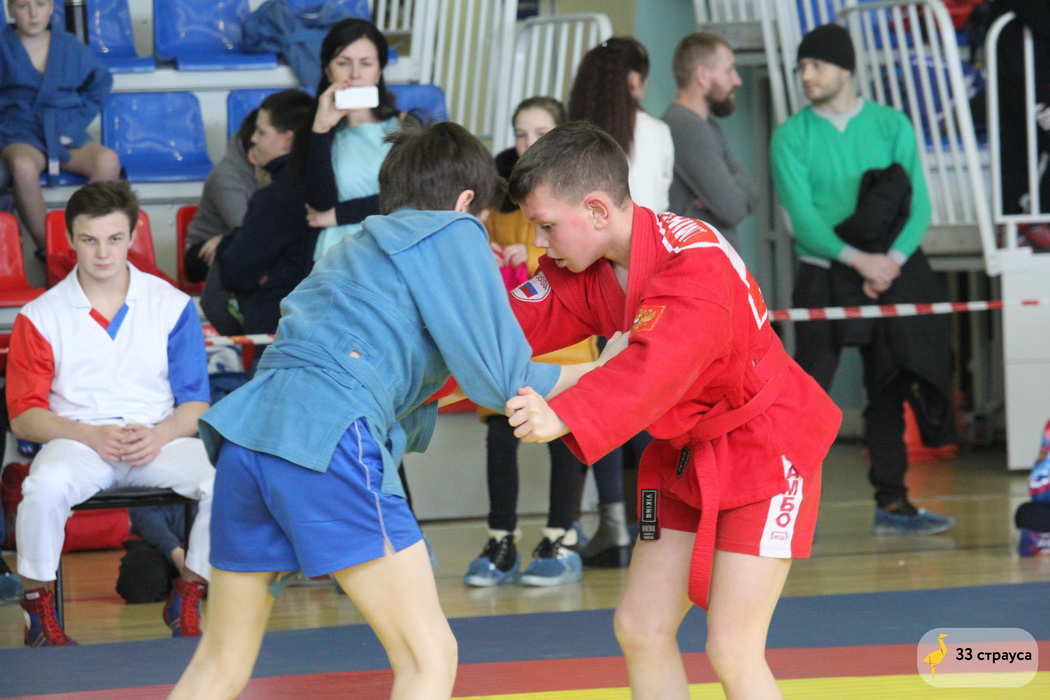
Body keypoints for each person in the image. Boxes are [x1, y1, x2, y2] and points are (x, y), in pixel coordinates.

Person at [166, 122, 623, 700]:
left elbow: (412, 376)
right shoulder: (453, 231)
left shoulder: (352, 249)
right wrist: (602, 367)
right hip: (326, 439)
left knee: (218, 663)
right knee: (429, 656)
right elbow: (503, 381)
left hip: (247, 436)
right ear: (466, 203)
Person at [503, 122, 840, 700]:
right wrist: (398, 370)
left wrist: (566, 413)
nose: (540, 243)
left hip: (766, 448)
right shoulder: (587, 266)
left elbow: (654, 367)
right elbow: (504, 330)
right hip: (684, 453)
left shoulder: (695, 262)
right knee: (641, 627)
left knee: (732, 648)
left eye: (547, 226)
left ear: (597, 210)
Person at [5, 180, 214, 647]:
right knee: (42, 487)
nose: (103, 253)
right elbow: (24, 417)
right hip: (79, 443)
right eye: (89, 239)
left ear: (134, 234)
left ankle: (188, 593)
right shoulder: (40, 315)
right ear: (69, 238)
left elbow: (196, 404)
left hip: (156, 439)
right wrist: (89, 435)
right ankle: (37, 613)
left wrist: (160, 435)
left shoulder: (171, 305)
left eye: (115, 238)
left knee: (231, 478)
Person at [769, 24, 957, 536]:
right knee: (806, 392)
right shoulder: (791, 135)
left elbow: (919, 205)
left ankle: (893, 504)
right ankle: (772, 505)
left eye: (816, 65)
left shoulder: (892, 124)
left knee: (887, 389)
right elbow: (803, 221)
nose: (806, 75)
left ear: (845, 68)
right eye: (801, 67)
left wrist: (889, 261)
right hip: (823, 274)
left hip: (886, 274)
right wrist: (860, 261)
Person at [465, 96, 604, 587]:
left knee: (566, 436)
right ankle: (500, 540)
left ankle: (560, 537)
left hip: (567, 338)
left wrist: (525, 257)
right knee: (501, 435)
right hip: (515, 340)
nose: (527, 143)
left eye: (540, 132)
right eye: (520, 133)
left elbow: (581, 259)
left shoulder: (579, 189)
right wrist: (489, 257)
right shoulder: (498, 190)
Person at [568, 36, 673, 564]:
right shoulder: (655, 132)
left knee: (595, 401)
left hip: (587, 282)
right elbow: (662, 211)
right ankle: (652, 526)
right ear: (635, 80)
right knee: (646, 408)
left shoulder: (571, 138)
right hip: (651, 279)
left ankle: (609, 524)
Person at [0, 0, 120, 255]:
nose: (33, 13)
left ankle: (80, 238)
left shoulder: (69, 45)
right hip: (20, 133)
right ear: (9, 10)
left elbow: (100, 82)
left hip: (65, 131)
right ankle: (50, 251)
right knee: (22, 167)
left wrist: (75, 122)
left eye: (40, 4)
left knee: (108, 161)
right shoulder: (3, 47)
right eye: (22, 6)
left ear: (51, 7)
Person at [213, 89, 317, 335]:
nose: (253, 140)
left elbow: (236, 274)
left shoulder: (278, 196)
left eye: (261, 132)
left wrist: (226, 244)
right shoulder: (322, 184)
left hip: (279, 330)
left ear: (288, 141)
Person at [303, 17, 402, 261]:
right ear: (328, 71)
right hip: (334, 257)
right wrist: (320, 130)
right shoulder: (315, 130)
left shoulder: (404, 127)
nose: (355, 74)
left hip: (393, 252)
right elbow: (319, 204)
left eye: (366, 64)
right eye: (343, 63)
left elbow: (411, 197)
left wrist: (339, 215)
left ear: (379, 71)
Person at [661, 32, 759, 250]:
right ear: (702, 76)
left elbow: (753, 191)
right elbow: (733, 209)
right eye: (729, 70)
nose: (737, 80)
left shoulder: (707, 126)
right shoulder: (686, 127)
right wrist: (731, 191)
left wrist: (729, 190)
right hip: (697, 265)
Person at [568, 37, 673, 213]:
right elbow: (659, 204)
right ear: (635, 80)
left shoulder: (569, 135)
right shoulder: (656, 132)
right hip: (644, 228)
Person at [186, 109, 260, 335]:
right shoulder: (226, 177)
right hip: (204, 251)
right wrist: (228, 237)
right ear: (253, 154)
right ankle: (246, 337)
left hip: (233, 239)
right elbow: (247, 230)